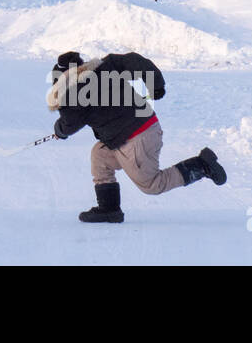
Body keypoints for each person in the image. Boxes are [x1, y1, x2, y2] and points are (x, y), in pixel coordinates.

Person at [47, 50, 226, 223]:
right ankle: (109, 209)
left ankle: (201, 166)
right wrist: (156, 84)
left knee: (152, 185)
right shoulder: (107, 66)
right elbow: (135, 60)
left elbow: (69, 125)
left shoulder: (73, 94)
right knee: (100, 155)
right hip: (144, 129)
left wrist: (59, 131)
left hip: (135, 139)